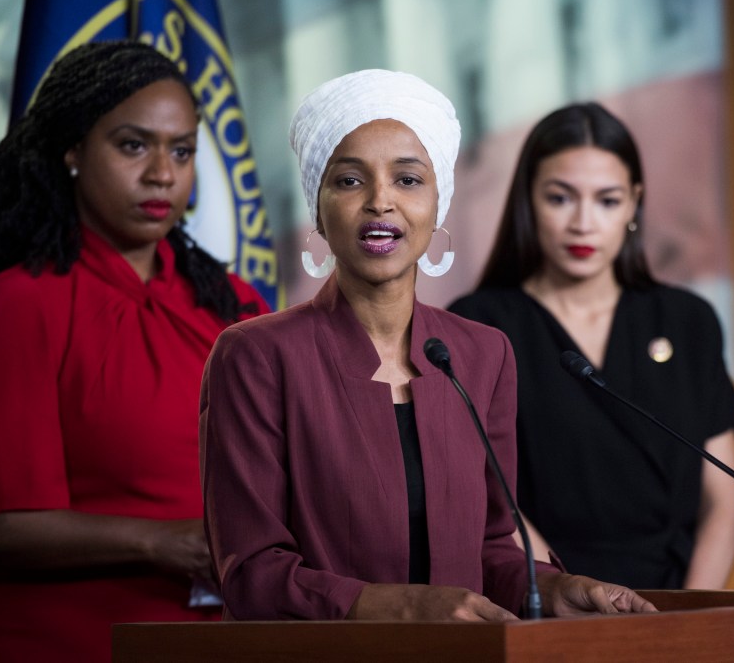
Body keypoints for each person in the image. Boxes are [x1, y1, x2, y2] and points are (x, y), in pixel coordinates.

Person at [200, 70, 656, 621]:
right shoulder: (255, 356)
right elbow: (252, 573)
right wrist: (407, 608)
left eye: (409, 180)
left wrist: (557, 589)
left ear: (438, 205)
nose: (380, 202)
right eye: (348, 180)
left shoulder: (483, 354)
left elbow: (491, 548)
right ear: (317, 209)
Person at [0, 40, 268, 662]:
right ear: (74, 150)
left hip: (230, 638)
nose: (162, 172)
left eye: (182, 150)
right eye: (133, 145)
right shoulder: (18, 307)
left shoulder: (235, 304)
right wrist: (158, 544)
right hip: (70, 642)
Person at [449, 103, 734, 589]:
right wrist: (560, 594)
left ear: (634, 204)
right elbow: (490, 499)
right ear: (528, 199)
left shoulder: (687, 320)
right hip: (547, 600)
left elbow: (722, 501)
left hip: (675, 605)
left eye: (607, 201)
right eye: (561, 198)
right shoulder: (480, 325)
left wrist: (688, 621)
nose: (583, 223)